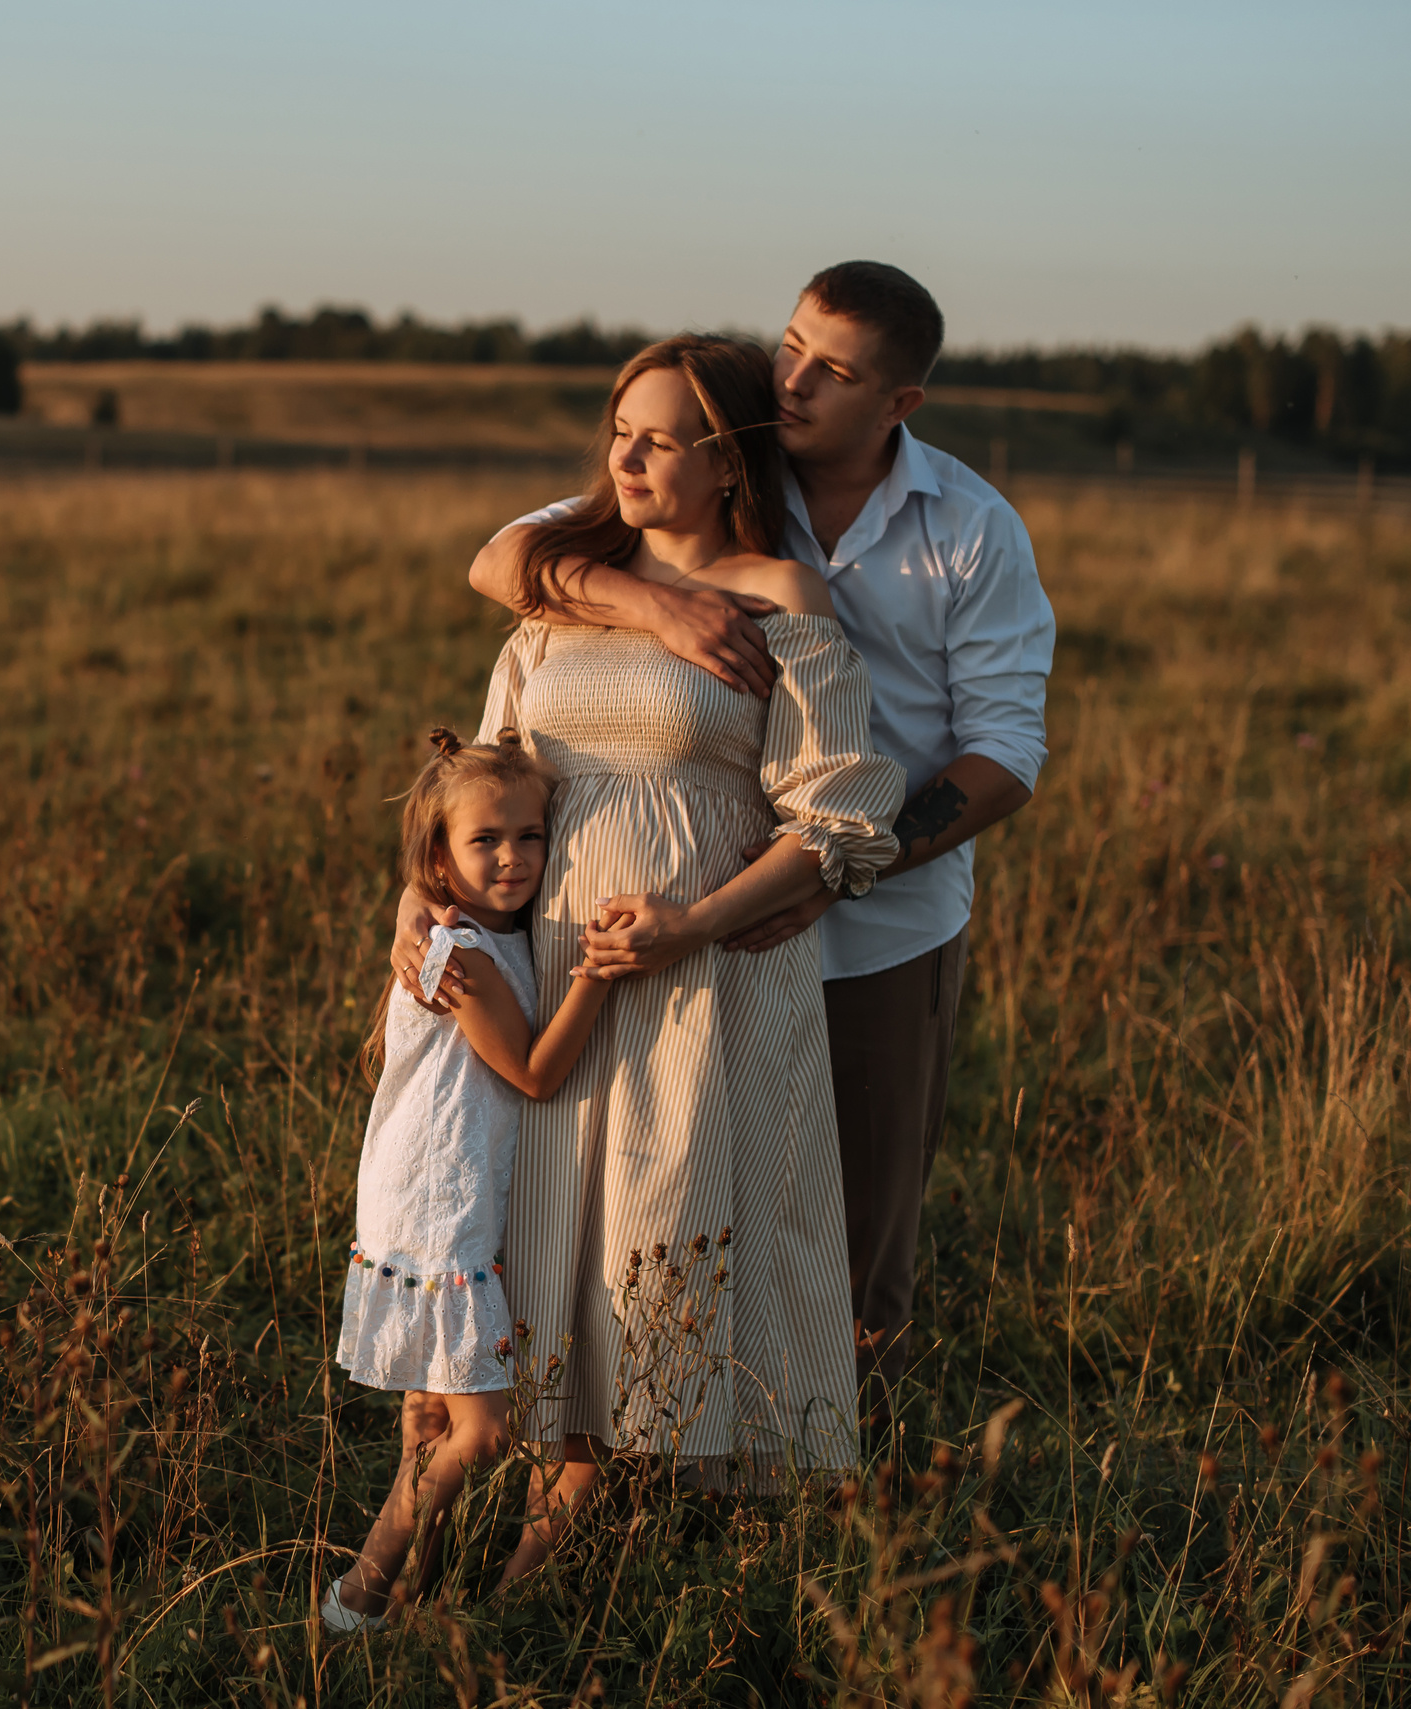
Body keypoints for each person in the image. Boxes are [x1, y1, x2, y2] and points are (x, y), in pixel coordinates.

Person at [429, 262, 1057, 1430]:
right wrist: (656, 604)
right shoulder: (714, 449)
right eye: (790, 345)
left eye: (835, 370)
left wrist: (837, 868)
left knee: (843, 1229)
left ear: (899, 402)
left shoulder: (968, 529)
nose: (794, 380)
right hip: (654, 929)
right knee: (638, 1192)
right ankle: (642, 1450)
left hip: (878, 921)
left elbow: (1005, 751)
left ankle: (835, 1483)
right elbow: (503, 557)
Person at [401, 333, 904, 1574]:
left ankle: (569, 1554)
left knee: (659, 1234)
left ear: (725, 460)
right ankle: (479, 1534)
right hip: (548, 972)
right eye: (618, 431)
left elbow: (838, 815)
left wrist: (696, 920)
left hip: (697, 977)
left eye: (659, 439)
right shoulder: (565, 587)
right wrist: (418, 901)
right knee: (536, 1224)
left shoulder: (780, 597)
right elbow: (482, 777)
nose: (624, 458)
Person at [323, 727, 615, 1632]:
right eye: (486, 839)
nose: (514, 857)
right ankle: (361, 1589)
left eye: (530, 836)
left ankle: (407, 1590)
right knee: (483, 1432)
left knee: (430, 1419)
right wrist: (598, 977)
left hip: (437, 1187)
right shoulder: (464, 956)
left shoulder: (492, 934)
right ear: (440, 857)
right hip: (438, 1203)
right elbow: (533, 1073)